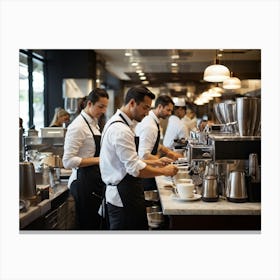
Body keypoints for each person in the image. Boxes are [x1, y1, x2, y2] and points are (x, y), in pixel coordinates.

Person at [99, 86, 178, 230]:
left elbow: (129, 160)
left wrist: (155, 161)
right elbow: (135, 169)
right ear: (132, 103)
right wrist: (165, 171)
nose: (147, 113)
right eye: (145, 108)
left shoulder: (118, 123)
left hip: (125, 192)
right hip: (122, 197)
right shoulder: (121, 130)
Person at [62, 88, 109, 230]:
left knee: (95, 224)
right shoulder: (78, 126)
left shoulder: (94, 124)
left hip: (94, 181)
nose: (103, 110)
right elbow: (68, 161)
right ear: (89, 104)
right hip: (83, 184)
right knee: (88, 227)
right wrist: (99, 160)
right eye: (100, 106)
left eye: (105, 107)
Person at [135, 95, 183, 191]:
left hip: (149, 168)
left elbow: (152, 143)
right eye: (168, 110)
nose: (169, 113)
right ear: (160, 107)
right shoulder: (150, 125)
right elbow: (143, 155)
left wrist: (168, 152)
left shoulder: (154, 122)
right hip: (146, 173)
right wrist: (160, 161)